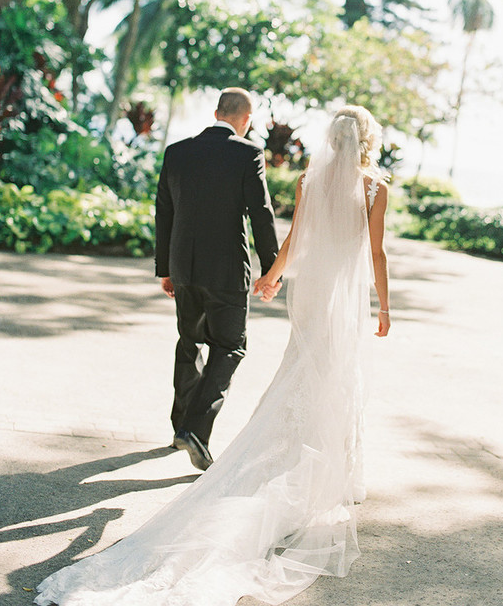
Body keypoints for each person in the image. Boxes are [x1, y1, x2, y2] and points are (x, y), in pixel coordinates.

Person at [35, 105, 390, 606]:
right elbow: (358, 248)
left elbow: (281, 233)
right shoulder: (364, 183)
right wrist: (382, 303)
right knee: (311, 367)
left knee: (254, 357)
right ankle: (326, 468)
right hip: (321, 292)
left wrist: (266, 275)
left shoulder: (302, 177)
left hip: (267, 286)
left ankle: (195, 423)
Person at [154, 87, 280, 471]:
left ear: (216, 112)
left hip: (184, 269)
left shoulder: (177, 151)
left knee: (189, 340)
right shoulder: (247, 153)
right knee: (230, 346)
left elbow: (164, 211)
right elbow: (260, 213)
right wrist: (271, 269)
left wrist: (164, 268)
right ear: (245, 119)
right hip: (226, 271)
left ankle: (180, 427)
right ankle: (195, 428)